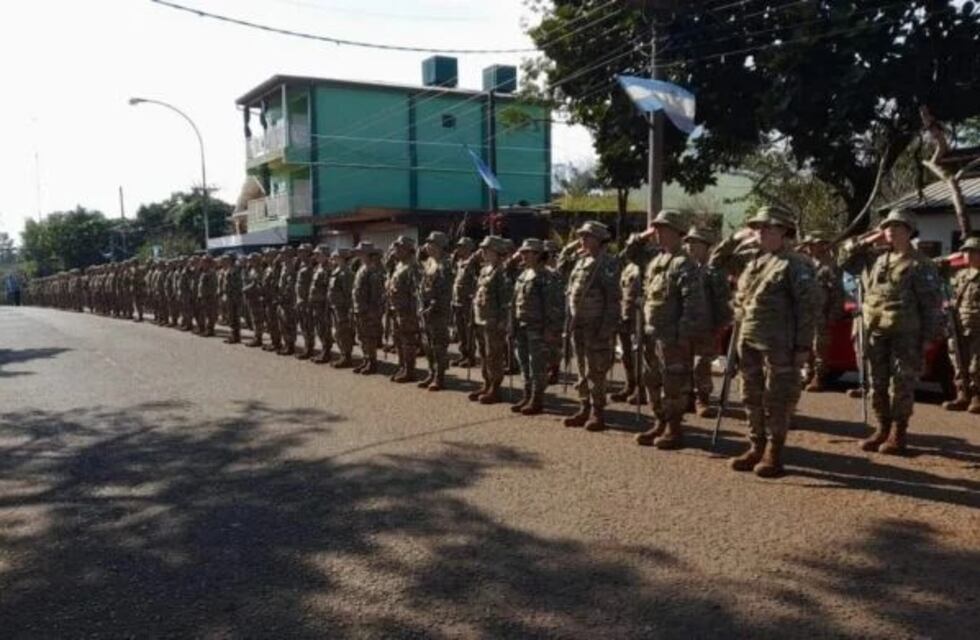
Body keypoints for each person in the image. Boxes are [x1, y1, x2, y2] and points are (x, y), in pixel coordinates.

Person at [711, 206, 816, 477]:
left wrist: (804, 347)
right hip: (748, 339)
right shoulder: (752, 261)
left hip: (780, 343)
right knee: (750, 394)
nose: (760, 233)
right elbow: (716, 262)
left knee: (777, 398)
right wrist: (735, 238)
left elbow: (808, 308)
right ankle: (756, 444)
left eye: (766, 228)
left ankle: (774, 451)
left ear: (782, 231)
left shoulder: (795, 264)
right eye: (757, 228)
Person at [840, 209, 942, 454]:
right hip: (877, 331)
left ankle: (898, 432)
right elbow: (843, 259)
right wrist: (866, 240)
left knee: (901, 384)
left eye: (897, 226)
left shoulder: (921, 264)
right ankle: (882, 427)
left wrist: (929, 338)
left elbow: (931, 304)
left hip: (906, 334)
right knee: (877, 382)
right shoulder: (876, 258)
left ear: (909, 232)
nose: (890, 230)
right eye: (887, 226)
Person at [634, 211, 707, 449]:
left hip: (672, 336)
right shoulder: (656, 260)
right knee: (652, 380)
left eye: (662, 228)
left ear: (677, 232)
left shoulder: (684, 263)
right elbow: (630, 253)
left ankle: (674, 429)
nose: (657, 232)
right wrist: (642, 236)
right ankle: (660, 421)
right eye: (655, 228)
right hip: (652, 333)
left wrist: (684, 336)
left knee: (673, 384)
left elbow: (693, 303)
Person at [563, 221, 621, 431]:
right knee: (581, 368)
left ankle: (598, 412)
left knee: (596, 371)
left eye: (588, 236)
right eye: (582, 236)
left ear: (599, 239)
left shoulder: (607, 264)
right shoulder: (581, 261)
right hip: (578, 324)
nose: (583, 239)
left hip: (596, 325)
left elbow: (613, 299)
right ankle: (584, 406)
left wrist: (606, 329)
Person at [510, 238, 565, 415]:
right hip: (522, 325)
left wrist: (551, 330)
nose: (523, 255)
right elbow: (515, 302)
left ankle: (537, 398)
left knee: (537, 365)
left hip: (538, 328)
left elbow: (554, 306)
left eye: (527, 252)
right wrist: (512, 324)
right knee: (524, 363)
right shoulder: (524, 274)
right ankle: (527, 395)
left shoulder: (547, 276)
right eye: (523, 252)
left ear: (538, 254)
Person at [683, 226, 733, 417]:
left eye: (695, 242)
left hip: (707, 325)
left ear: (706, 246)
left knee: (701, 364)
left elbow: (722, 300)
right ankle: (686, 396)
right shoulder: (684, 268)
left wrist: (720, 325)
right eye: (688, 242)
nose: (690, 246)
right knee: (685, 363)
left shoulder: (714, 271)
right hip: (685, 325)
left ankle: (702, 399)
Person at [937, 236, 980, 413]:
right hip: (958, 324)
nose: (968, 255)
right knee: (958, 361)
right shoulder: (961, 274)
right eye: (965, 251)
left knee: (976, 364)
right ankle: (962, 395)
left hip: (977, 326)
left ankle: (977, 397)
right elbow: (937, 265)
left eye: (973, 251)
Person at [800, 232, 846, 392]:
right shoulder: (806, 264)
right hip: (806, 313)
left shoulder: (831, 266)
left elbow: (838, 293)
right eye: (810, 245)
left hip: (822, 314)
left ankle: (818, 377)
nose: (811, 247)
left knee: (819, 348)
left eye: (815, 244)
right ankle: (808, 374)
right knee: (806, 346)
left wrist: (833, 315)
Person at [610, 233, 650, 406]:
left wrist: (642, 237)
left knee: (638, 355)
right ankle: (630, 385)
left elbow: (632, 250)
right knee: (626, 355)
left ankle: (641, 389)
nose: (627, 248)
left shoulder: (644, 264)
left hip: (638, 317)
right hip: (624, 316)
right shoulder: (627, 267)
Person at [470, 236, 511, 404]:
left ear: (498, 252)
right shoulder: (485, 270)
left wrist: (503, 321)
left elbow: (505, 301)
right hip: (482, 317)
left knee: (494, 355)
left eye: (488, 249)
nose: (484, 252)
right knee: (484, 354)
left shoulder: (501, 272)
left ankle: (495, 388)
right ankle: (486, 383)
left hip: (494, 320)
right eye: (483, 249)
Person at [418, 232, 453, 391]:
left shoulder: (445, 265)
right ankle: (431, 373)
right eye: (428, 243)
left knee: (439, 345)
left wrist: (433, 306)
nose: (428, 246)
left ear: (440, 246)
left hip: (438, 311)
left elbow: (445, 292)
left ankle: (439, 377)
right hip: (426, 310)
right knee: (428, 344)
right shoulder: (429, 263)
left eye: (432, 244)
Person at [386, 236, 422, 383]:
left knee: (408, 341)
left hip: (407, 311)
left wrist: (414, 313)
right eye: (396, 248)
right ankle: (403, 367)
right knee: (398, 340)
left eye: (400, 248)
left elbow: (416, 292)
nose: (396, 251)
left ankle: (410, 370)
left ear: (408, 250)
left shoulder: (413, 267)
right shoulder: (399, 265)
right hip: (397, 308)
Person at [352, 241, 386, 374]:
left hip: (368, 310)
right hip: (360, 309)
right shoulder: (362, 268)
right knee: (362, 337)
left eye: (361, 252)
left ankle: (372, 362)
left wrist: (373, 311)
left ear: (367, 254)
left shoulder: (372, 270)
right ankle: (366, 360)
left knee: (370, 337)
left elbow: (376, 294)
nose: (359, 254)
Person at [451, 237, 479, 368]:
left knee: (469, 332)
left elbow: (476, 281)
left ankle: (471, 357)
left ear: (468, 248)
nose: (458, 249)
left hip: (467, 302)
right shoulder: (458, 262)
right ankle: (463, 354)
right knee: (460, 330)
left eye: (462, 247)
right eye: (458, 246)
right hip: (457, 301)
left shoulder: (473, 263)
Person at [327, 248, 355, 368]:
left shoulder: (346, 273)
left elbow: (348, 293)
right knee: (337, 332)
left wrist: (349, 309)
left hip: (343, 308)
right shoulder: (337, 271)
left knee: (344, 332)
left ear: (343, 258)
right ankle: (343, 354)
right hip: (336, 306)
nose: (333, 259)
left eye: (336, 257)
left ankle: (346, 356)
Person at [310, 245, 333, 363]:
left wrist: (327, 304)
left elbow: (329, 288)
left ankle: (326, 352)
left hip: (324, 303)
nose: (316, 257)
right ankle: (324, 350)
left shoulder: (328, 269)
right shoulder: (318, 267)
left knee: (325, 328)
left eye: (319, 255)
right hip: (317, 302)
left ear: (325, 255)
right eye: (316, 255)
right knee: (319, 328)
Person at [294, 244, 316, 360]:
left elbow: (311, 286)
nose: (300, 254)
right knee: (303, 326)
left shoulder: (311, 266)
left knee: (308, 326)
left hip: (307, 301)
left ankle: (309, 349)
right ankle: (307, 347)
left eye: (303, 252)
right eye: (299, 251)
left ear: (308, 253)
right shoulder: (300, 265)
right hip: (300, 300)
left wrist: (308, 301)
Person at [277, 246, 298, 356]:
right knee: (283, 323)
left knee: (289, 323)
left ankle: (290, 345)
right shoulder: (283, 266)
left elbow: (290, 285)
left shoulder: (291, 267)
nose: (281, 255)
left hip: (288, 300)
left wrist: (284, 296)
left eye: (283, 254)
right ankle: (286, 344)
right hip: (282, 299)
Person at [218, 254, 243, 344]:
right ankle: (234, 335)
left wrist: (231, 293)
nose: (224, 261)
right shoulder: (226, 270)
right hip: (229, 296)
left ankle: (236, 336)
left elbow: (238, 284)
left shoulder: (235, 270)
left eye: (226, 260)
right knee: (231, 317)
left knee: (235, 317)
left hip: (234, 296)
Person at [243, 253, 266, 348]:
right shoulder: (251, 270)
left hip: (257, 297)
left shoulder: (259, 271)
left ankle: (258, 338)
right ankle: (256, 337)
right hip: (251, 297)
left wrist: (245, 289)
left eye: (252, 260)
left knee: (258, 319)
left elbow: (256, 284)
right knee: (253, 318)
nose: (250, 262)